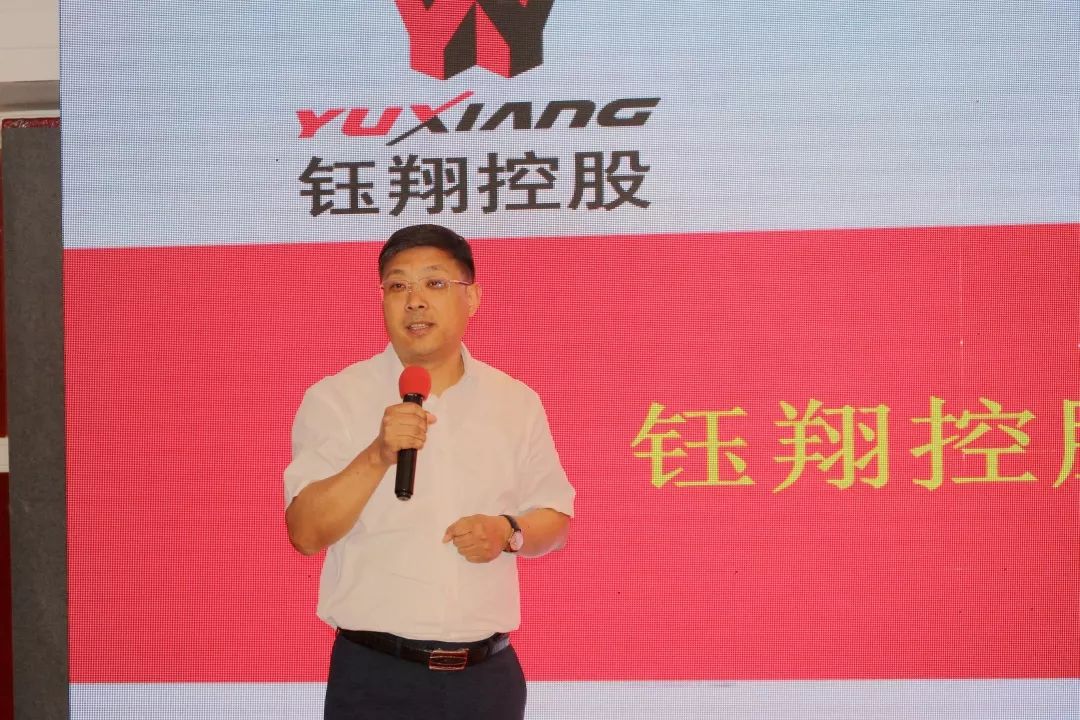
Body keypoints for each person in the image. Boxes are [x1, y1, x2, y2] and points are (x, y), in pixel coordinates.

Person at [283, 224, 575, 720]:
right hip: (375, 678)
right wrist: (378, 454)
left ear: (472, 297)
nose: (414, 301)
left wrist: (508, 531)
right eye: (397, 285)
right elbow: (305, 533)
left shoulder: (515, 401)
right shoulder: (335, 398)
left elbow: (556, 519)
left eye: (435, 283)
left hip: (486, 681)